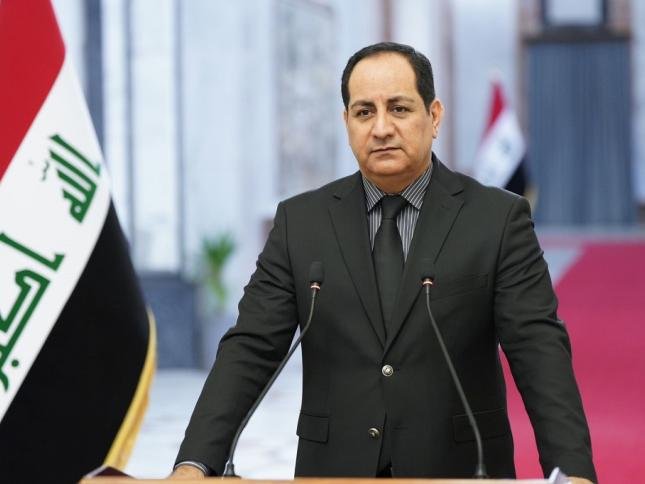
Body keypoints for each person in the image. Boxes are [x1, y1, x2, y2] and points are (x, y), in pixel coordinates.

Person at [170, 42, 596, 483]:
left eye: (399, 108)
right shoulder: (301, 222)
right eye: (364, 112)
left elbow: (538, 350)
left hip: (459, 470)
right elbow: (251, 346)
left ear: (434, 116)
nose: (381, 128)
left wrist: (573, 472)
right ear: (347, 123)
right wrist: (195, 463)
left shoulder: (496, 219)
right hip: (335, 472)